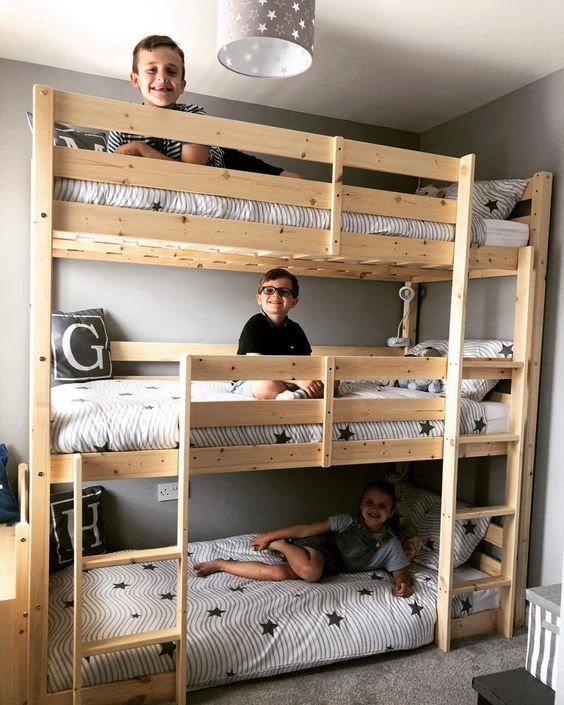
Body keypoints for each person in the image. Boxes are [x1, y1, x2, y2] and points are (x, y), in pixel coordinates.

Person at [107, 35, 302, 177]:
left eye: (172, 71)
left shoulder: (193, 113)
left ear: (182, 86)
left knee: (294, 181)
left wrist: (143, 150)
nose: (162, 77)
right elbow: (116, 175)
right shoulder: (122, 124)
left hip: (225, 161)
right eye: (151, 69)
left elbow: (194, 175)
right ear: (135, 79)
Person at [194, 480, 413, 598]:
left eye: (382, 506)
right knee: (311, 572)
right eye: (369, 503)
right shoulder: (347, 521)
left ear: (391, 513)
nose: (374, 509)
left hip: (331, 568)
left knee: (277, 573)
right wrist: (272, 536)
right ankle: (280, 545)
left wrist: (403, 585)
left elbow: (400, 572)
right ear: (361, 505)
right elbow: (306, 529)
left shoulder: (390, 543)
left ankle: (222, 564)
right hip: (317, 549)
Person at [230, 268, 325, 400]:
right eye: (269, 290)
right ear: (259, 298)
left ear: (293, 302)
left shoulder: (295, 329)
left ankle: (296, 396)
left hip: (289, 381)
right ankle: (298, 395)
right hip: (253, 379)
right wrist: (298, 380)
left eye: (284, 291)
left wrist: (308, 379)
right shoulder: (255, 324)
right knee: (266, 385)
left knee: (332, 379)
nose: (276, 295)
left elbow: (306, 364)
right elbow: (257, 367)